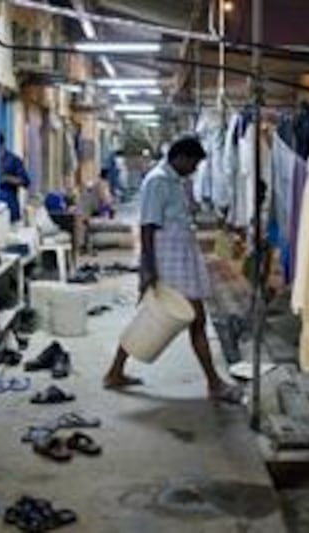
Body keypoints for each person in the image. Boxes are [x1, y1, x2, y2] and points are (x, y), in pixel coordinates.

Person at [103, 136, 243, 404]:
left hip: (180, 257)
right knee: (196, 320)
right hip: (169, 260)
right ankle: (214, 384)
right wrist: (148, 269)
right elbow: (147, 226)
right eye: (193, 163)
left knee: (151, 318)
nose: (194, 169)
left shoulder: (173, 180)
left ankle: (115, 372)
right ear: (181, 157)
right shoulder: (157, 181)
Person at [0, 133, 30, 225]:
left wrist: (7, 178)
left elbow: (25, 181)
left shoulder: (13, 160)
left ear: (2, 145)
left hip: (11, 206)